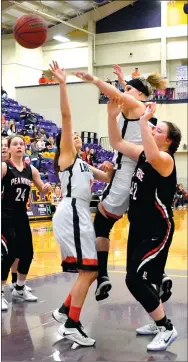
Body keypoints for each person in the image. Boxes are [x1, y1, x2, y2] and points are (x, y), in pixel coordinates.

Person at [73, 68, 171, 303]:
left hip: (127, 172)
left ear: (138, 93)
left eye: (127, 88)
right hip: (142, 174)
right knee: (141, 227)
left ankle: (103, 275)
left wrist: (94, 79)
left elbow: (119, 100)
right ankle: (157, 273)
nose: (122, 91)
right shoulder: (147, 110)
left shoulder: (134, 106)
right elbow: (130, 93)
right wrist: (123, 81)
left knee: (103, 224)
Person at [108, 99, 181, 351]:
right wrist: (111, 114)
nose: (153, 130)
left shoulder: (164, 159)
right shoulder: (143, 154)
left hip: (157, 229)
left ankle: (166, 327)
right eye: (153, 127)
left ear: (168, 141)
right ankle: (156, 319)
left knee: (134, 279)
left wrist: (143, 120)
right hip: (138, 227)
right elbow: (117, 143)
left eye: (158, 130)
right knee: (146, 279)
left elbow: (151, 153)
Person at [49, 61, 113, 347]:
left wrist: (111, 166)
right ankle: (72, 324)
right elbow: (66, 117)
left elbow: (107, 176)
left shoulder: (84, 165)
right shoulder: (67, 158)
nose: (74, 136)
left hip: (80, 215)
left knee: (91, 270)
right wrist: (63, 84)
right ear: (65, 142)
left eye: (76, 136)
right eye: (71, 136)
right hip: (71, 211)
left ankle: (64, 311)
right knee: (89, 270)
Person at [1, 135, 52, 311]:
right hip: (5, 215)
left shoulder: (31, 170)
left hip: (21, 215)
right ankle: (0, 292)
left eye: (21, 144)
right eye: (15, 144)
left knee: (28, 252)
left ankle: (19, 289)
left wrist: (46, 188)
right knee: (9, 252)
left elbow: (42, 189)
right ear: (8, 148)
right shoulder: (4, 167)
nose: (19, 146)